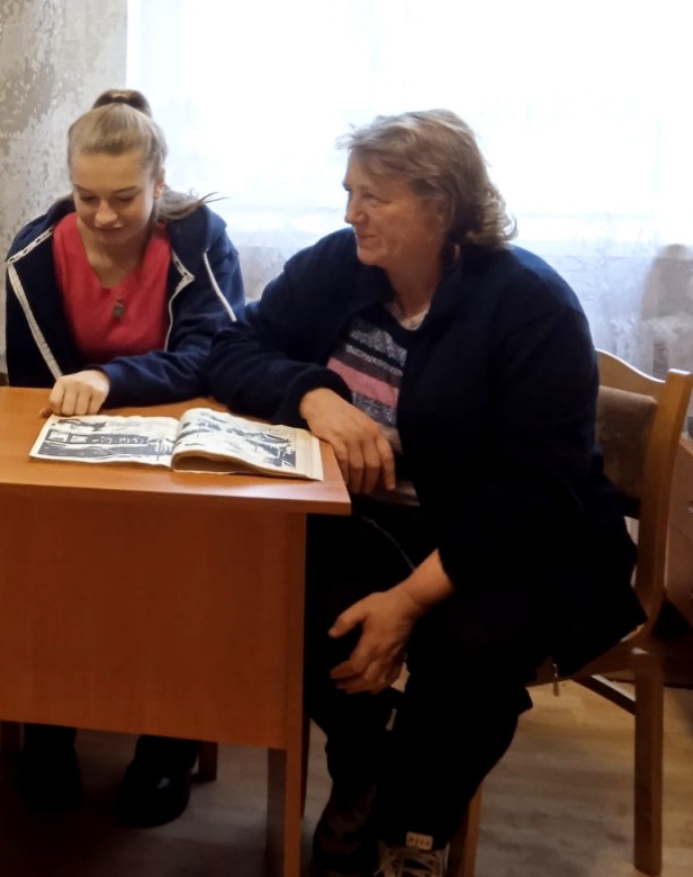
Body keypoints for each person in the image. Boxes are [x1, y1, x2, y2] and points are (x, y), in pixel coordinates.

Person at [205, 111, 643, 877]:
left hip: (515, 539)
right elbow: (235, 345)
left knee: (468, 649)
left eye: (374, 197)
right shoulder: (338, 266)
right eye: (349, 193)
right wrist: (313, 394)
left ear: (441, 207)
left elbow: (534, 498)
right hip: (369, 520)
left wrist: (407, 602)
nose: (352, 214)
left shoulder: (532, 307)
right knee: (296, 603)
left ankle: (410, 834)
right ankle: (364, 768)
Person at [2, 88, 243, 822]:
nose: (105, 217)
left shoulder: (200, 242)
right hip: (73, 448)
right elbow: (35, 383)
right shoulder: (34, 256)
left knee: (182, 576)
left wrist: (111, 380)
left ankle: (167, 742)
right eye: (87, 199)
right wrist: (90, 401)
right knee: (47, 565)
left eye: (125, 198)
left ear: (159, 186)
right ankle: (49, 728)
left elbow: (214, 357)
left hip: (176, 447)